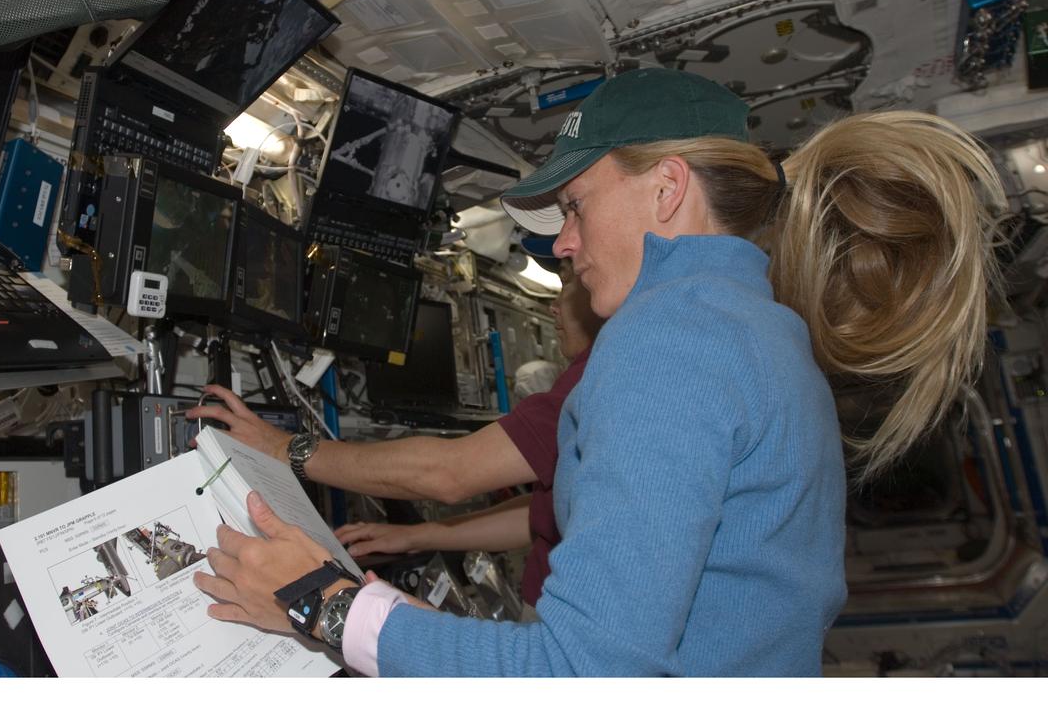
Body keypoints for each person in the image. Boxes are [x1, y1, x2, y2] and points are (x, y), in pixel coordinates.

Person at [192, 68, 1004, 676]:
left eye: (575, 206)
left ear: (667, 189)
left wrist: (321, 605)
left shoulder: (670, 342)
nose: (564, 244)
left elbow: (582, 675)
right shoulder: (765, 333)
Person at [189, 257, 605, 607]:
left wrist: (282, 446)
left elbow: (447, 473)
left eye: (566, 282)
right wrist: (414, 536)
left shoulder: (597, 379)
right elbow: (541, 512)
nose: (553, 305)